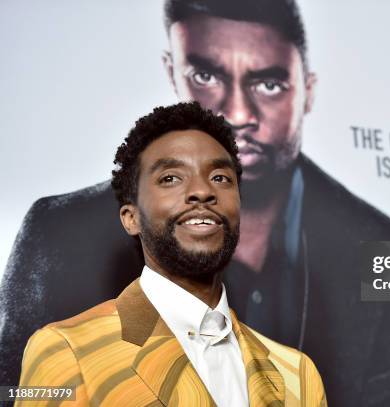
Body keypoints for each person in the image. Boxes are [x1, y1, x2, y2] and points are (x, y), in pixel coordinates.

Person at [2, 0, 390, 405]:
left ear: (309, 91)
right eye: (208, 76)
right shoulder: (60, 261)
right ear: (172, 71)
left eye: (269, 83)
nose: (238, 112)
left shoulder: (305, 368)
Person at [16, 102, 326, 407]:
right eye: (171, 178)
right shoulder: (66, 351)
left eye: (220, 178)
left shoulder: (297, 374)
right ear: (131, 217)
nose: (203, 191)